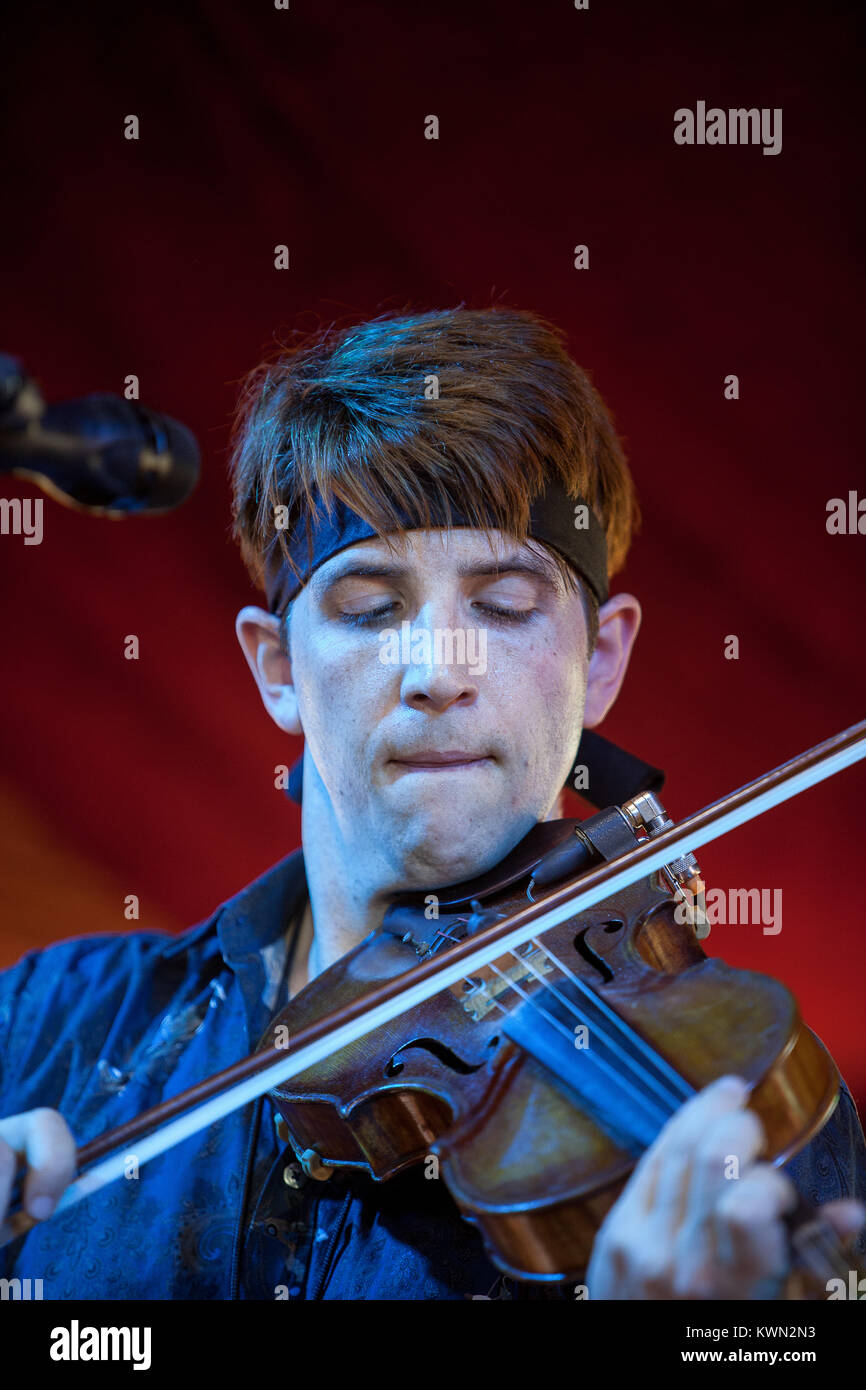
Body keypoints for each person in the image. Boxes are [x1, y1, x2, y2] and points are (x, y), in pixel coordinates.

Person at [1, 306, 864, 1300]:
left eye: (501, 606)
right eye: (370, 607)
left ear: (602, 659)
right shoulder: (46, 1028)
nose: (438, 673)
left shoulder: (736, 1090)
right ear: (277, 670)